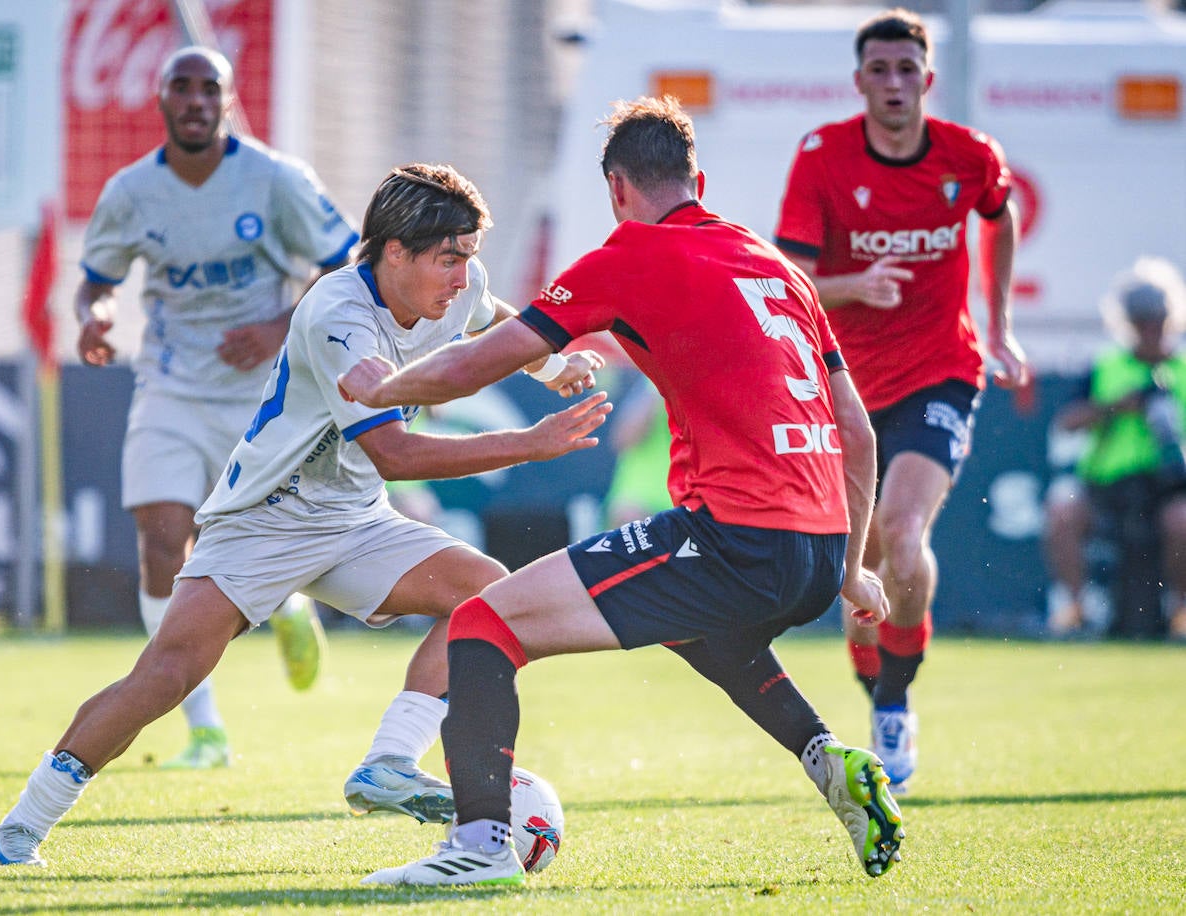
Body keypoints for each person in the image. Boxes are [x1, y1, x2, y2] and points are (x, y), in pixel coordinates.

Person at [341, 96, 904, 886]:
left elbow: (476, 362)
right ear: (696, 179)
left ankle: (478, 847)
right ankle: (829, 762)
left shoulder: (629, 255)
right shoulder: (776, 266)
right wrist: (849, 569)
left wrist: (378, 387)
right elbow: (859, 429)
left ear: (616, 190)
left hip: (736, 538)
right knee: (710, 635)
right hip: (816, 551)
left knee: (481, 628)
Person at [0, 161, 611, 867]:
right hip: (265, 518)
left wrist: (551, 366)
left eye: (468, 256)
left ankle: (389, 764)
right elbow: (395, 454)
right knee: (167, 675)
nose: (463, 275)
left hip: (355, 518)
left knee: (489, 594)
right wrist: (526, 446)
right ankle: (21, 826)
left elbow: (490, 314)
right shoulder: (337, 313)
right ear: (393, 252)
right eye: (448, 259)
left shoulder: (454, 288)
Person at [73, 46, 358, 769]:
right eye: (183, 88)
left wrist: (277, 327)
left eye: (210, 89)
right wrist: (95, 316)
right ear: (163, 100)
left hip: (265, 396)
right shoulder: (131, 191)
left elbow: (350, 265)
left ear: (228, 102)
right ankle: (205, 729)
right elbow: (97, 280)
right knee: (163, 541)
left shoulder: (275, 180)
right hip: (169, 385)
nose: (196, 101)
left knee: (267, 542)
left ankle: (288, 604)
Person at [772, 7, 1030, 791]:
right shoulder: (822, 156)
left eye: (906, 70)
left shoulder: (969, 154)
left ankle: (893, 703)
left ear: (928, 79)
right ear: (859, 82)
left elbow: (1000, 215)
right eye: (878, 71)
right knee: (860, 564)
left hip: (940, 370)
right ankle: (874, 686)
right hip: (844, 385)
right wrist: (855, 285)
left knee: (903, 528)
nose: (893, 83)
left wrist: (1002, 326)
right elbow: (788, 281)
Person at [1043, 257, 1186, 639]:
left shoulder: (1183, 370)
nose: (1150, 327)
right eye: (1140, 318)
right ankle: (1075, 608)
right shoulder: (1106, 367)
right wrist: (1115, 407)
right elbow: (1067, 422)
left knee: (1181, 521)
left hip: (1169, 488)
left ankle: (1180, 611)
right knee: (1062, 511)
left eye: (1157, 317)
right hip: (1107, 486)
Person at [602, 370, 674, 527]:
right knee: (630, 518)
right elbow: (623, 438)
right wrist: (659, 388)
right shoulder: (654, 379)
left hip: (694, 503)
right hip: (640, 501)